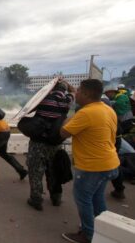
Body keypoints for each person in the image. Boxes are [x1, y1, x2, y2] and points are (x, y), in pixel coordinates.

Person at [60, 79, 120, 243]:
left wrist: (69, 113)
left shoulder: (85, 113)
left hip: (92, 166)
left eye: (78, 90)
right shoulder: (107, 109)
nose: (76, 93)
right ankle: (102, 230)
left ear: (86, 94)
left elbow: (63, 133)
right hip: (110, 162)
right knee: (97, 198)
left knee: (83, 198)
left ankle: (87, 234)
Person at [26, 80, 75, 211]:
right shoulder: (67, 101)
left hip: (38, 142)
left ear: (52, 88)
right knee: (54, 169)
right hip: (55, 142)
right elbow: (73, 91)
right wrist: (66, 84)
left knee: (36, 170)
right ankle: (56, 197)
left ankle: (36, 199)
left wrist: (48, 88)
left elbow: (29, 107)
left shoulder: (43, 100)